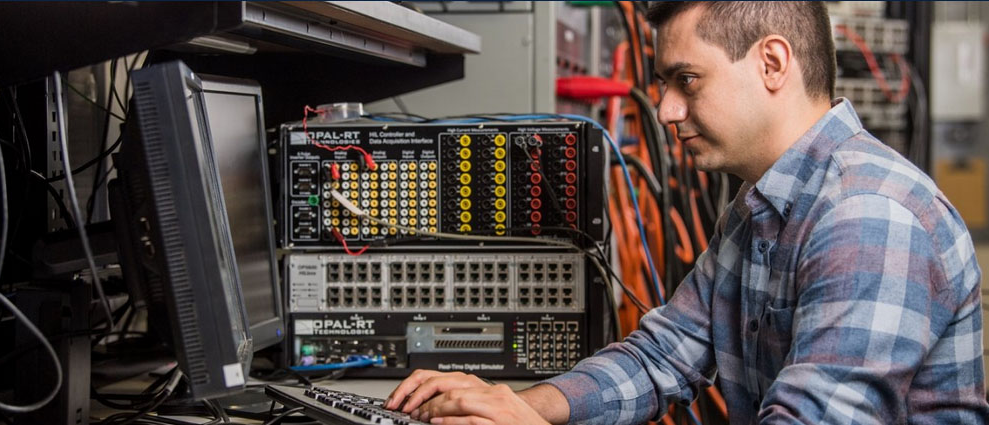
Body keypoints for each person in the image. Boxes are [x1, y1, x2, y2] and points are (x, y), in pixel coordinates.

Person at [383, 2, 989, 424]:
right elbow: (665, 354)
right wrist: (522, 406)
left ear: (773, 64)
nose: (667, 109)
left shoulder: (869, 217)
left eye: (687, 80)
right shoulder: (761, 208)